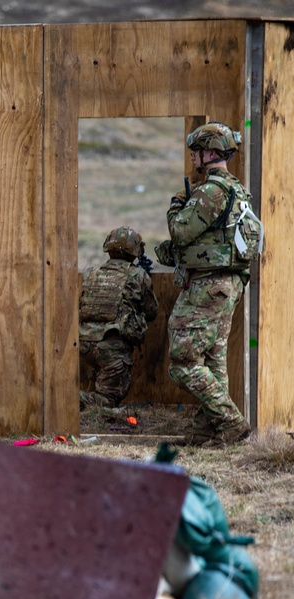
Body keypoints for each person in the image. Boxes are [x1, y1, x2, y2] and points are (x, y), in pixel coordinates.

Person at [156, 121, 255, 446]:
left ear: (211, 152)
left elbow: (182, 232)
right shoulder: (239, 190)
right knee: (212, 360)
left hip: (208, 286)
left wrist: (175, 206)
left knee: (183, 362)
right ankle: (208, 431)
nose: (193, 159)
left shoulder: (211, 191)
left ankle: (232, 423)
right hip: (227, 285)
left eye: (196, 152)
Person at [78, 226, 158, 409]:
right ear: (136, 252)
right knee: (108, 400)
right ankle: (71, 400)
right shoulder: (137, 275)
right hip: (111, 346)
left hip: (83, 343)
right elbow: (152, 312)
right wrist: (143, 280)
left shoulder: (91, 273)